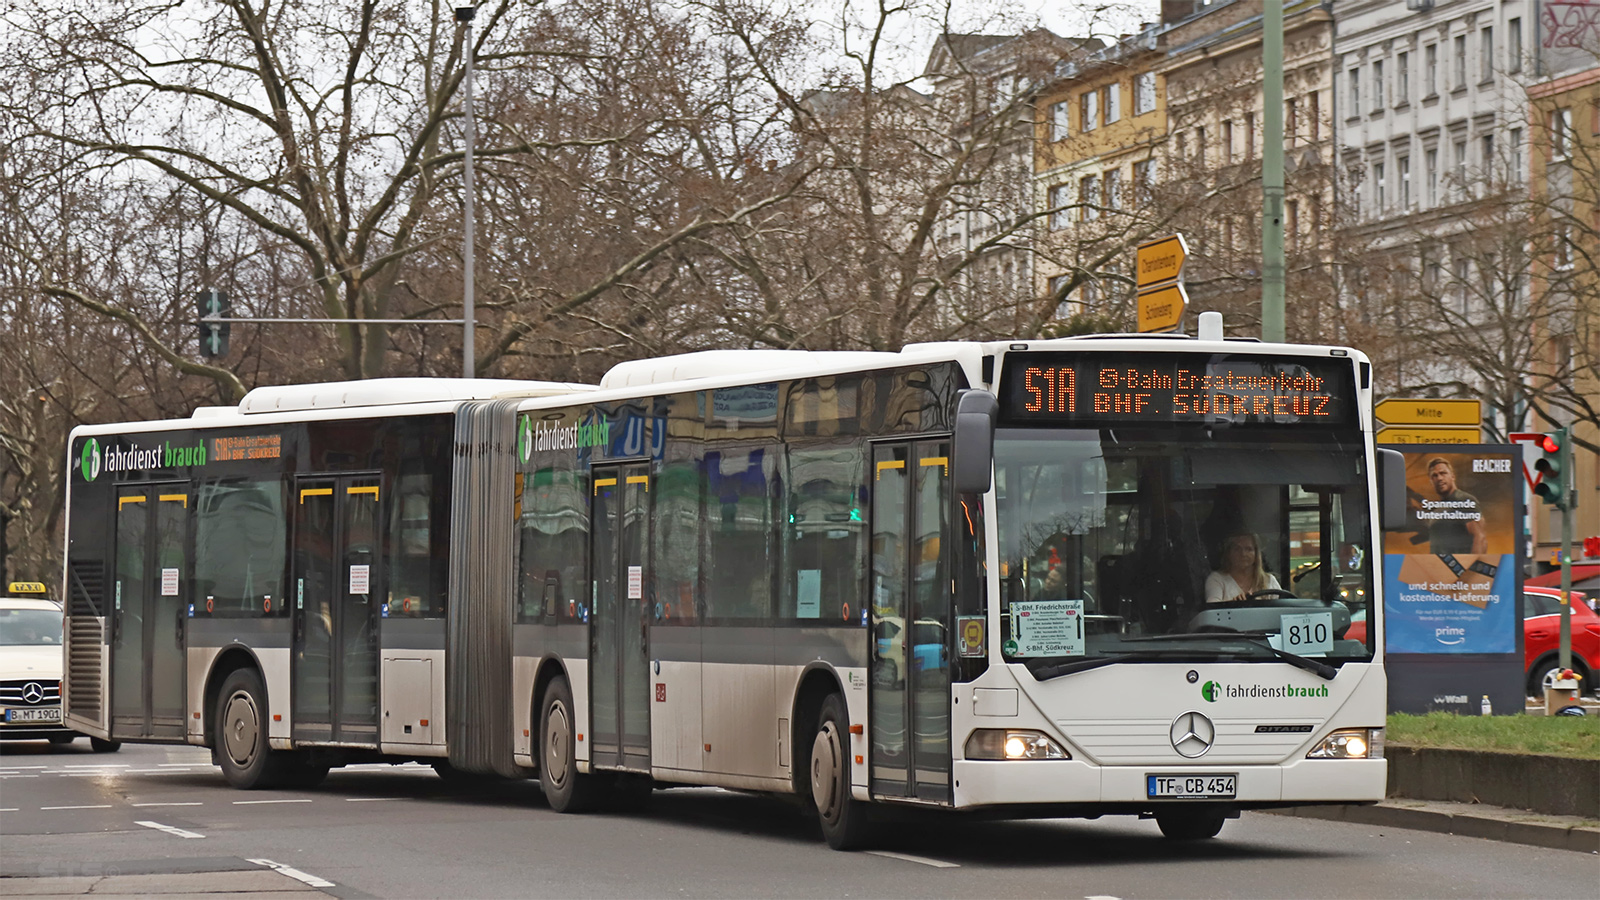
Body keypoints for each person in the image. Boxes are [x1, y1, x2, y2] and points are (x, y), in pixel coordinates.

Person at [1424, 457, 1487, 554]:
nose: (1439, 478)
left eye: (1443, 473)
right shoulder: (1437, 509)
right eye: (1434, 475)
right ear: (1431, 481)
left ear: (1452, 476)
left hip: (1460, 565)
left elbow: (1480, 538)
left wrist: (1472, 567)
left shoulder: (1464, 500)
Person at [1205, 532, 1281, 603]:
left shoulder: (1270, 580)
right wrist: (1233, 604)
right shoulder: (1217, 579)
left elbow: (1282, 608)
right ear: (1229, 554)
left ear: (1256, 554)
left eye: (1248, 549)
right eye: (1237, 549)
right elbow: (1213, 609)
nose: (1243, 554)